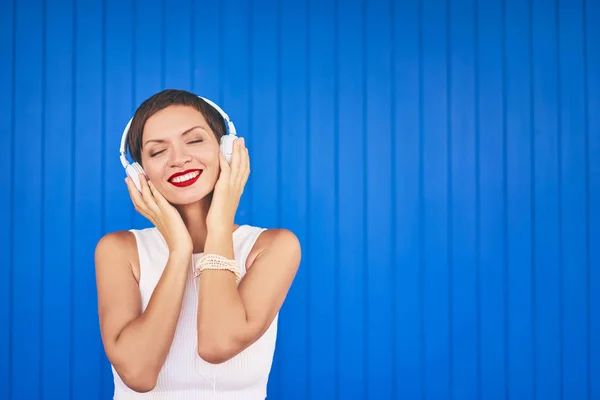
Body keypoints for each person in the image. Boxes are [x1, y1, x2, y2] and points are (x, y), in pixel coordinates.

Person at [94, 89, 301, 399]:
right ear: (140, 174)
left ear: (227, 151)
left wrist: (219, 225)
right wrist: (179, 250)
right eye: (157, 151)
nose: (179, 159)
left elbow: (217, 344)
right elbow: (138, 374)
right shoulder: (119, 251)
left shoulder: (273, 247)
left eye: (194, 140)